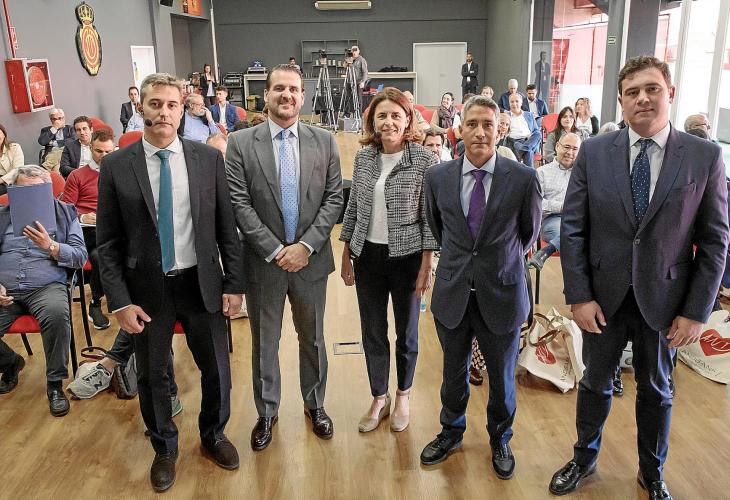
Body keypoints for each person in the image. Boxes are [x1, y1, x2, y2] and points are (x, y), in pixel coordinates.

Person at [549, 56, 729, 499]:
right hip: (602, 299)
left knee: (657, 390)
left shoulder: (704, 156)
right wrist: (579, 296)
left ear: (670, 93)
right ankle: (583, 458)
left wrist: (696, 311)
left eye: (652, 89)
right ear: (621, 100)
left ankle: (652, 473)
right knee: (594, 383)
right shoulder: (594, 152)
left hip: (667, 302)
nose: (642, 99)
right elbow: (573, 228)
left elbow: (715, 240)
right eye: (632, 92)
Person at [96, 72, 245, 492]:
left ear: (183, 110)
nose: (163, 112)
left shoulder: (207, 160)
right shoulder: (116, 166)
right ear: (141, 107)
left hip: (201, 283)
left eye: (172, 104)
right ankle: (164, 447)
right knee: (152, 376)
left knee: (216, 369)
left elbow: (226, 229)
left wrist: (234, 284)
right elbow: (107, 243)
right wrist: (119, 301)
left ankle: (213, 434)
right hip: (146, 291)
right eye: (155, 104)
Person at [420, 96, 542, 477]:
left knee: (502, 379)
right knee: (452, 373)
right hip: (454, 291)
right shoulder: (437, 177)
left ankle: (500, 437)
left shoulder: (522, 179)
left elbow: (529, 234)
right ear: (460, 129)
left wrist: (496, 261)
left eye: (487, 124)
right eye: (471, 124)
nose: (479, 132)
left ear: (499, 130)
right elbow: (439, 229)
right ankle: (451, 431)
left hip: (502, 292)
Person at [225, 64, 343, 451]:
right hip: (264, 263)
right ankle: (267, 412)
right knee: (265, 342)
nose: (286, 95)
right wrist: (276, 250)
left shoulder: (324, 141)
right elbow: (239, 203)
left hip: (311, 261)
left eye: (293, 89)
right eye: (278, 88)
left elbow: (333, 199)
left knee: (313, 339)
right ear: (266, 94)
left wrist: (305, 246)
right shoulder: (241, 143)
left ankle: (316, 404)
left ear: (303, 96)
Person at [339, 87, 437, 433]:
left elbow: (429, 219)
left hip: (407, 257)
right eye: (382, 115)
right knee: (373, 331)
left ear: (408, 120)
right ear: (373, 121)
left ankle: (403, 394)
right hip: (368, 255)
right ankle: (379, 397)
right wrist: (347, 252)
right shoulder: (364, 157)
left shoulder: (424, 160)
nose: (389, 122)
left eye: (396, 115)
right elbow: (353, 207)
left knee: (406, 332)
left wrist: (427, 264)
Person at [0, 165, 88, 415]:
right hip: (6, 289)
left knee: (57, 315)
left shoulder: (66, 214)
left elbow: (80, 256)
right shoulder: (2, 216)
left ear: (49, 191)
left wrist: (52, 246)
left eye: (38, 191)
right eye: (24, 191)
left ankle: (54, 385)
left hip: (46, 286)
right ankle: (10, 362)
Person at [60, 129, 116, 330]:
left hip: (114, 229)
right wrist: (82, 217)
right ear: (91, 148)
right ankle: (96, 303)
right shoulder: (77, 175)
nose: (104, 156)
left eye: (108, 152)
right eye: (99, 151)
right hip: (87, 230)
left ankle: (123, 298)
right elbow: (64, 210)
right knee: (101, 254)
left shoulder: (120, 173)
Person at [527, 132, 582, 270]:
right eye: (567, 147)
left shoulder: (583, 173)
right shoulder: (541, 172)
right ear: (557, 146)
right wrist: (561, 207)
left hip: (579, 218)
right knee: (571, 234)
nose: (570, 152)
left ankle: (547, 251)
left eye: (575, 149)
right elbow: (535, 203)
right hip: (553, 219)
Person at [506, 93, 541, 167]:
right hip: (514, 142)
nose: (514, 104)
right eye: (512, 102)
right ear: (509, 103)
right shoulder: (506, 116)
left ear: (521, 102)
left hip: (528, 141)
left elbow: (536, 131)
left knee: (538, 134)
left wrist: (527, 144)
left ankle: (524, 148)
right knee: (528, 152)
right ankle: (530, 172)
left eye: (517, 101)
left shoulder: (529, 115)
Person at [0, 124, 24, 195]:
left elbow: (17, 170)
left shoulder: (15, 148)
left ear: (4, 135)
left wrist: (1, 180)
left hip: (9, 180)